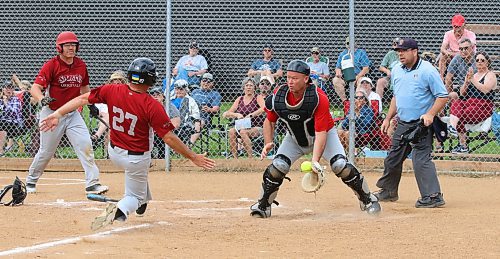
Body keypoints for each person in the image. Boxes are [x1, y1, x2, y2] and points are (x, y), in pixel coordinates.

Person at [40, 57, 216, 230]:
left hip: (114, 152)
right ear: (150, 79)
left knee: (138, 179)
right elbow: (169, 137)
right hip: (136, 159)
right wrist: (193, 156)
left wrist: (57, 114)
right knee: (133, 196)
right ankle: (121, 208)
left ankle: (143, 198)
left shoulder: (112, 90)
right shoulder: (151, 105)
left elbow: (81, 99)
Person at [250, 60, 380, 218]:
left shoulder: (318, 98)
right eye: (288, 77)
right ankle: (263, 205)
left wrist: (315, 161)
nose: (290, 82)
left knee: (340, 165)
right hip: (295, 137)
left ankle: (367, 199)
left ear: (306, 79)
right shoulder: (279, 96)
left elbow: (321, 133)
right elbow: (269, 120)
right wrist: (268, 142)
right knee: (278, 166)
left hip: (325, 134)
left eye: (295, 78)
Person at [25, 31, 108, 194]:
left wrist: (90, 103)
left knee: (85, 145)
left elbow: (84, 88)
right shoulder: (52, 65)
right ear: (59, 47)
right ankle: (31, 180)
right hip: (52, 113)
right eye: (67, 45)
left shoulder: (81, 65)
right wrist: (42, 99)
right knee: (46, 151)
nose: (71, 48)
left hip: (72, 114)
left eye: (74, 45)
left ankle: (92, 182)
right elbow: (35, 87)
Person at [374, 38, 449, 208]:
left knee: (420, 160)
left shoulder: (427, 71)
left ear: (414, 51)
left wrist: (430, 114)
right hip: (403, 122)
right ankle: (388, 191)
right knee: (393, 158)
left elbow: (442, 96)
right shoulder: (396, 70)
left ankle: (433, 196)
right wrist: (388, 118)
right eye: (398, 51)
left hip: (422, 123)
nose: (400, 54)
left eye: (403, 51)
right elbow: (396, 96)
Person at [447, 51, 497, 154]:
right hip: (469, 102)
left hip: (483, 105)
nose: (479, 62)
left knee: (461, 115)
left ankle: (463, 145)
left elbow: (486, 89)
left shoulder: (490, 74)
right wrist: (466, 81)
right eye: (477, 60)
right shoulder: (473, 75)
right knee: (457, 102)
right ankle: (453, 127)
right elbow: (462, 93)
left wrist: (472, 80)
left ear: (487, 62)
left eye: (482, 60)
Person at [222, 77, 265, 158]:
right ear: (243, 87)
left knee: (243, 132)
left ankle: (250, 158)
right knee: (231, 131)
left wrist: (251, 115)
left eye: (251, 85)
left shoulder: (258, 97)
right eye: (247, 85)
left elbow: (264, 108)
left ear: (254, 87)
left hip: (256, 126)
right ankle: (235, 159)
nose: (249, 87)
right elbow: (227, 113)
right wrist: (237, 115)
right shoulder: (240, 99)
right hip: (241, 126)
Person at [332, 36, 371, 102]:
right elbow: (337, 67)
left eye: (351, 43)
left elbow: (366, 68)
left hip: (358, 76)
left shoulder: (361, 53)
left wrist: (357, 77)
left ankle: (358, 102)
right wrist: (338, 72)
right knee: (336, 80)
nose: (350, 45)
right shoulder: (343, 54)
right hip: (345, 77)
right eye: (348, 43)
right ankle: (345, 102)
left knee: (362, 81)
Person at [438, 14, 476, 80]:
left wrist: (456, 53)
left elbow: (470, 49)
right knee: (442, 56)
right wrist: (450, 53)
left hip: (467, 58)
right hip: (452, 58)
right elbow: (442, 48)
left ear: (464, 25)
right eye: (455, 26)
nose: (457, 28)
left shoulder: (471, 34)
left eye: (459, 26)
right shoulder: (448, 34)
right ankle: (441, 79)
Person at [190, 73, 222, 144]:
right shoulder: (195, 92)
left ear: (212, 83)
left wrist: (209, 109)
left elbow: (216, 109)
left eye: (209, 81)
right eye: (204, 80)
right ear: (200, 81)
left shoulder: (215, 94)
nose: (206, 83)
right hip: (190, 114)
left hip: (203, 117)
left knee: (199, 122)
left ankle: (188, 145)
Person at [149, 87, 181, 159]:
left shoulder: (169, 107)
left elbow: (176, 123)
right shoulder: (147, 107)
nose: (155, 96)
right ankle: (149, 158)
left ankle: (163, 160)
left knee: (163, 137)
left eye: (158, 94)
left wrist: (162, 128)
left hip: (163, 132)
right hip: (150, 132)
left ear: (163, 97)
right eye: (153, 95)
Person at [170, 79, 201, 145]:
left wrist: (191, 119)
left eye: (181, 89)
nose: (179, 91)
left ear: (186, 90)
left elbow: (196, 114)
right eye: (177, 89)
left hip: (185, 122)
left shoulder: (190, 100)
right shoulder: (170, 99)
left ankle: (188, 145)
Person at [0, 80, 23, 156]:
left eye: (10, 88)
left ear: (13, 90)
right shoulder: (0, 100)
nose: (8, 90)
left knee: (3, 123)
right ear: (3, 89)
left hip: (14, 122)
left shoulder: (16, 100)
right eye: (6, 88)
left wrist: (6, 103)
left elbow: (14, 114)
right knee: (2, 123)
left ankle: (0, 151)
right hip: (3, 122)